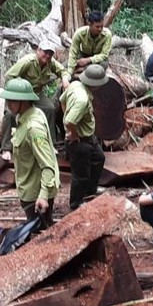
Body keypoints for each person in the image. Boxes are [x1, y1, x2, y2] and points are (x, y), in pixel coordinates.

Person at [0, 78, 60, 228]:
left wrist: (43, 195)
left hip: (36, 194)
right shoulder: (27, 116)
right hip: (28, 187)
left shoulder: (33, 128)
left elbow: (47, 164)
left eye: (12, 100)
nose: (8, 104)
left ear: (24, 101)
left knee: (42, 234)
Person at [0, 40, 71, 161]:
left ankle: (50, 144)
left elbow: (63, 70)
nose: (47, 56)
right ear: (38, 50)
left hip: (35, 93)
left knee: (50, 109)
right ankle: (7, 148)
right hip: (19, 93)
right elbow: (9, 76)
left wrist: (65, 78)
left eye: (50, 53)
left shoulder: (50, 62)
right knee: (10, 114)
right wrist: (16, 91)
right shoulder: (27, 62)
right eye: (45, 52)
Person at [60, 64, 107, 210]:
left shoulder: (74, 84)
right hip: (79, 140)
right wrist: (73, 134)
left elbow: (62, 100)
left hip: (88, 136)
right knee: (81, 174)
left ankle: (90, 191)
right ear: (96, 85)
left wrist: (67, 111)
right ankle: (76, 203)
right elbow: (69, 121)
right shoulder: (82, 100)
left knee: (99, 158)